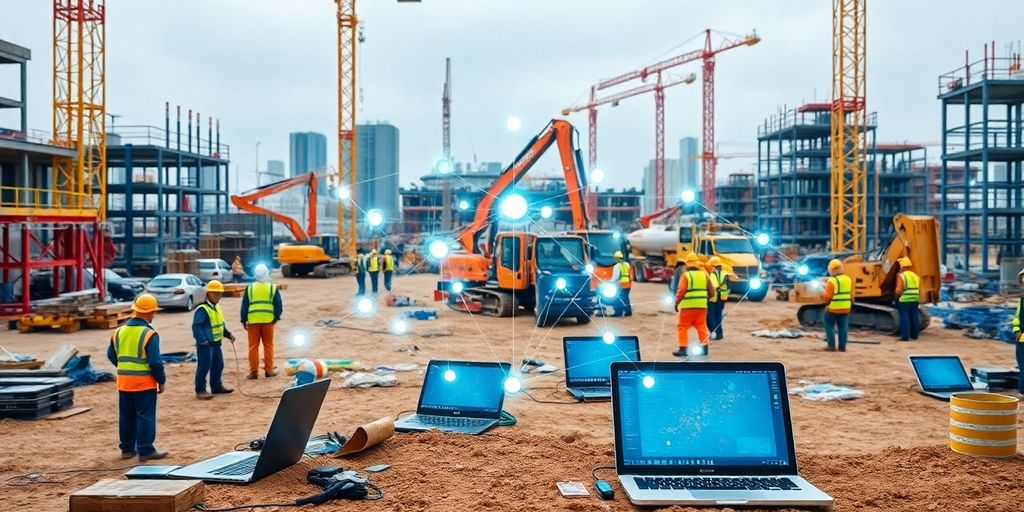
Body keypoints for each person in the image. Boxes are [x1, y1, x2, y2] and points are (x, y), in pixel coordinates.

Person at [106, 294, 168, 461]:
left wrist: (125, 368)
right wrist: (161, 380)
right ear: (149, 313)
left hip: (124, 383)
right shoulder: (149, 334)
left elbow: (111, 355)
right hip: (144, 384)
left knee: (126, 416)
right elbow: (155, 362)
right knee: (145, 416)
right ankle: (146, 450)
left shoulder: (119, 331)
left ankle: (127, 450)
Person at [193, 280, 236, 400]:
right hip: (206, 345)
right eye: (216, 294)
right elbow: (196, 326)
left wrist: (228, 334)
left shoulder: (218, 308)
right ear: (208, 294)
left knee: (218, 365)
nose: (219, 296)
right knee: (204, 367)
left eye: (220, 294)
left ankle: (216, 386)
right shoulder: (202, 309)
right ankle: (200, 390)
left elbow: (220, 325)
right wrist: (202, 340)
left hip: (216, 343)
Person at [241, 264, 283, 379]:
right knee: (268, 345)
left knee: (253, 346)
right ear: (267, 273)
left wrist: (243, 320)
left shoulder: (250, 288)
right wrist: (276, 317)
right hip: (268, 321)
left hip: (253, 321)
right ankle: (269, 370)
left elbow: (244, 306)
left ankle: (254, 372)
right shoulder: (272, 288)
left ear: (255, 274)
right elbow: (278, 305)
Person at [673, 253, 714, 358]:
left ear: (687, 264)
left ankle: (683, 349)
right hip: (702, 306)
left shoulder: (686, 275)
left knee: (682, 326)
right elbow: (712, 290)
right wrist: (706, 299)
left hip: (688, 306)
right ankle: (704, 348)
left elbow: (681, 290)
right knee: (701, 326)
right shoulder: (704, 274)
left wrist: (676, 303)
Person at [821, 258, 853, 352]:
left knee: (829, 325)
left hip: (833, 308)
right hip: (845, 308)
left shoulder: (832, 281)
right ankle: (842, 347)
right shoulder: (848, 279)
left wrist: (821, 295)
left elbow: (827, 297)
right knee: (843, 327)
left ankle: (831, 345)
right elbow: (851, 294)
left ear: (831, 270)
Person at [895, 256, 921, 341]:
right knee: (914, 316)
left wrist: (896, 296)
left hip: (905, 299)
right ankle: (915, 335)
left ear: (902, 266)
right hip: (915, 298)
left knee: (904, 317)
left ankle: (905, 336)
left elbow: (899, 290)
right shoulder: (915, 275)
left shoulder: (902, 276)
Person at [706, 256, 729, 340]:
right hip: (722, 298)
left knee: (710, 318)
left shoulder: (712, 274)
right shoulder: (724, 273)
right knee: (718, 316)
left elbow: (714, 286)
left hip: (713, 298)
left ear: (713, 265)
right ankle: (719, 334)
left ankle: (714, 333)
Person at [610, 251, 633, 317]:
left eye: (615, 258)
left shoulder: (617, 266)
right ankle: (628, 312)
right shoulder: (627, 264)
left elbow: (615, 277)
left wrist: (609, 282)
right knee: (625, 298)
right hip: (628, 284)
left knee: (618, 299)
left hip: (620, 285)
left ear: (617, 258)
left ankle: (618, 313)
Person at [1013, 269, 1023, 394]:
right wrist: (1017, 330)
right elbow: (1017, 317)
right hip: (1022, 339)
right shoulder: (1022, 300)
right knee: (1022, 366)